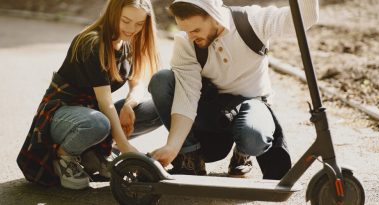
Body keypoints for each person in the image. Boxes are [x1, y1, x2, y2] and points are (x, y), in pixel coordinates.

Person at [148, 0, 319, 178]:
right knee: (162, 80)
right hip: (213, 109)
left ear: (215, 17)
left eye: (196, 30)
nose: (190, 37)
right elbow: (186, 97)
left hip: (252, 103)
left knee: (254, 137)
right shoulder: (187, 43)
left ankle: (243, 153)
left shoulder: (252, 21)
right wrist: (173, 147)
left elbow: (305, 18)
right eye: (185, 30)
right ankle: (191, 157)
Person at [17, 0, 161, 190]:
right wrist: (124, 146)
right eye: (125, 21)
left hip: (95, 114)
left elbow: (138, 83)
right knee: (99, 122)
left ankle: (92, 153)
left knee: (156, 108)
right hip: (63, 116)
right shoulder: (91, 42)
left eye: (139, 24)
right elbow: (105, 102)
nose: (132, 29)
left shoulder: (128, 44)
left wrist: (129, 104)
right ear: (113, 14)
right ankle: (65, 155)